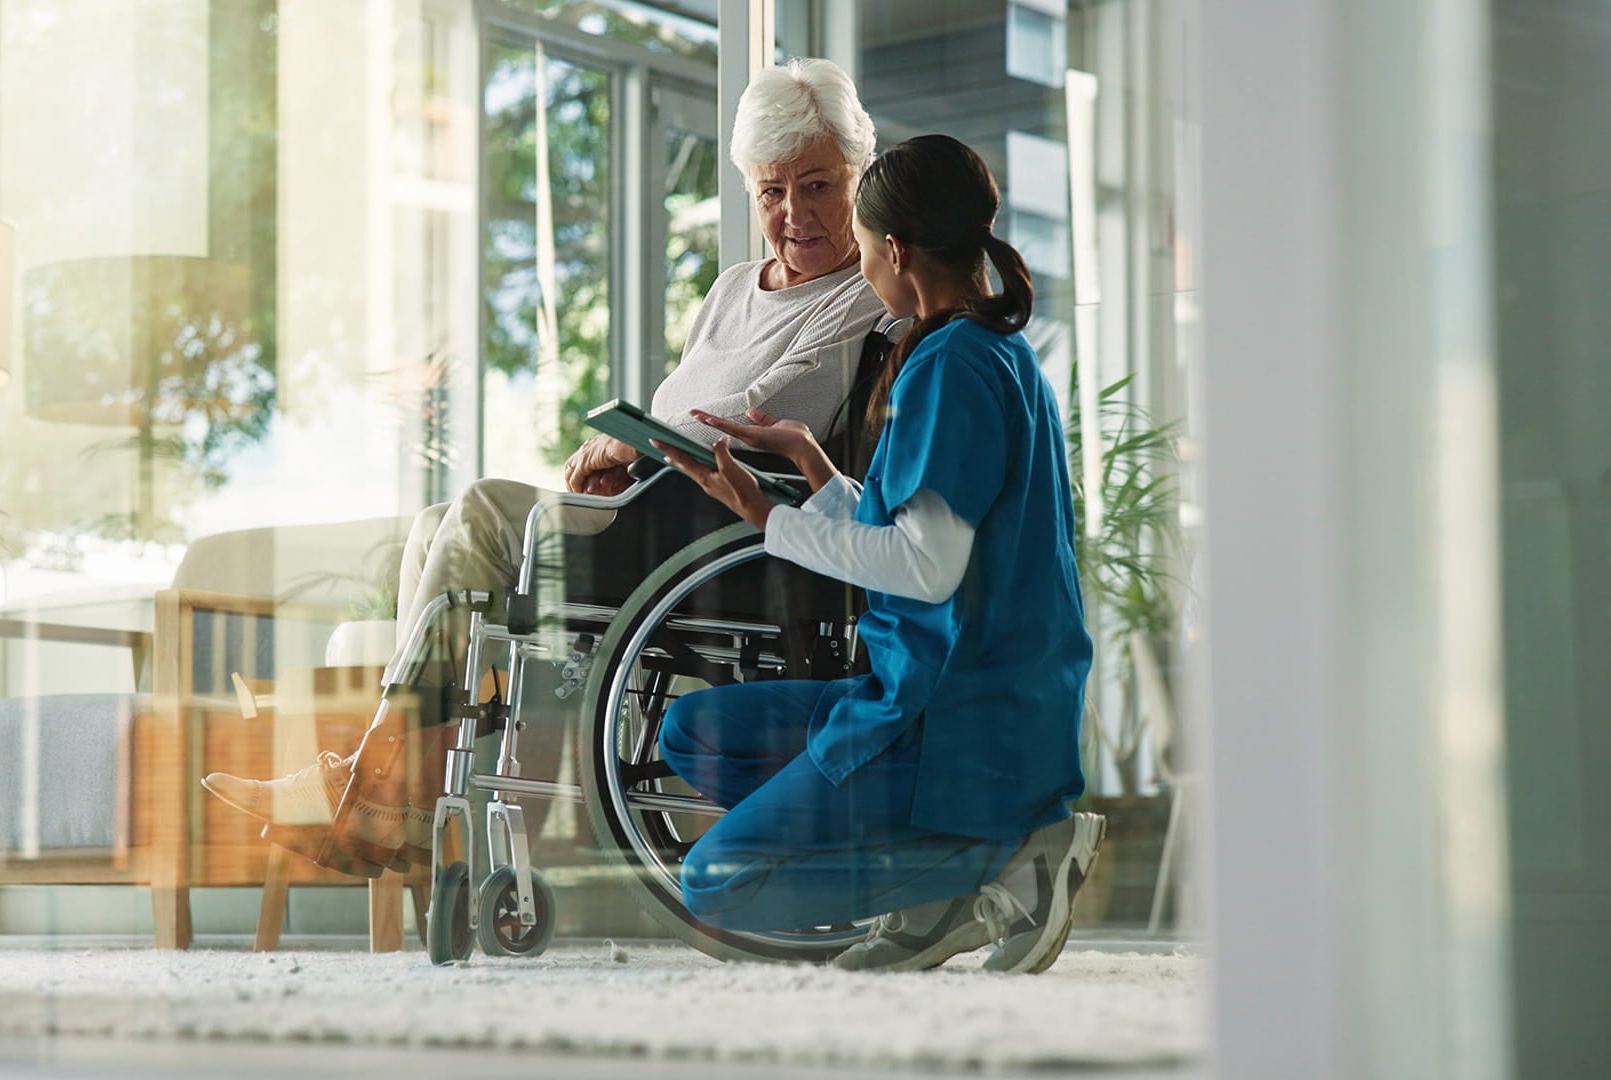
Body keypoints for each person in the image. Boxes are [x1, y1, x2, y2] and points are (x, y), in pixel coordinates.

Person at [202, 57, 891, 876]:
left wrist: (644, 445)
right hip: (660, 510)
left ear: (861, 175)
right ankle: (393, 800)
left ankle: (363, 783)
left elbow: (760, 410)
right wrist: (631, 467)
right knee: (435, 528)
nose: (794, 214)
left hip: (728, 533)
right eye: (771, 191)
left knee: (489, 508)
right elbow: (690, 406)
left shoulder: (866, 292)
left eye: (817, 185)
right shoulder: (733, 288)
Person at [651, 134, 1103, 973]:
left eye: (861, 252)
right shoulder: (993, 354)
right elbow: (925, 532)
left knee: (718, 882)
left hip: (952, 719)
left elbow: (927, 569)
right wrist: (815, 470)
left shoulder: (950, 367)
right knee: (692, 731)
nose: (860, 271)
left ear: (895, 249)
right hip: (933, 688)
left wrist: (768, 521)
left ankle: (1007, 858)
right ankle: (931, 895)